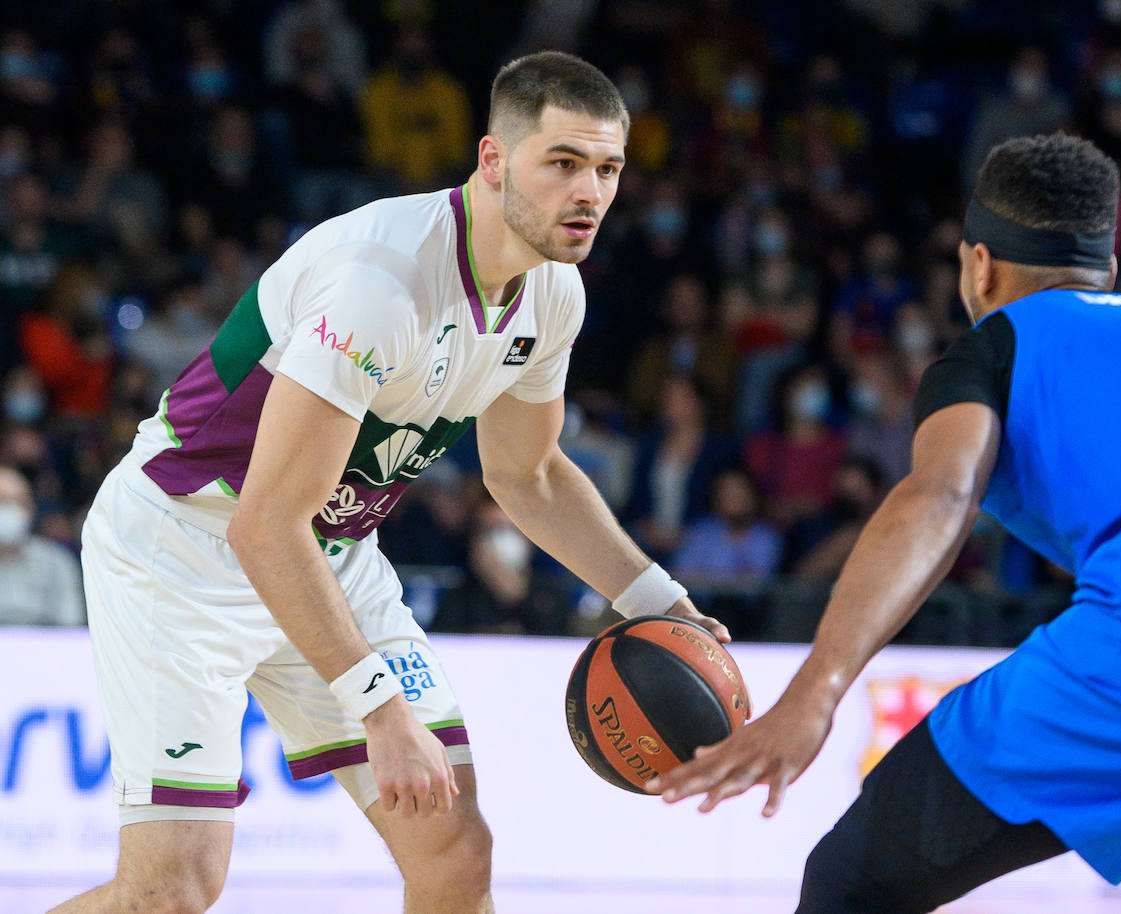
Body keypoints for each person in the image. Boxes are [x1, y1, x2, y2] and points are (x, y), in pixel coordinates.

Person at [56, 51, 727, 914]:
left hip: (326, 553)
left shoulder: (556, 293)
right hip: (185, 547)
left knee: (455, 851)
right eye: (562, 164)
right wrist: (376, 705)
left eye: (607, 169)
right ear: (492, 160)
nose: (589, 192)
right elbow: (264, 525)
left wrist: (655, 599)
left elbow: (528, 474)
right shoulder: (382, 281)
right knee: (171, 891)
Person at [650, 133, 1121, 913]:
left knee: (857, 880)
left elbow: (938, 497)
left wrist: (815, 692)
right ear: (1110, 271)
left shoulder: (1002, 340)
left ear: (979, 266)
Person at [0, 464, 85, 626]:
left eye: (17, 502)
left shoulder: (56, 562)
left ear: (30, 510)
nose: (8, 510)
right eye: (2, 502)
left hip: (41, 650)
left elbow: (70, 627)